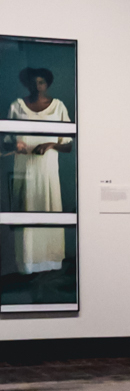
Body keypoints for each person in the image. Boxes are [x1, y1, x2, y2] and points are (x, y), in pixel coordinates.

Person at [5, 67, 74, 279]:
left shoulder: (58, 107)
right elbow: (7, 139)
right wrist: (15, 143)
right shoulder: (16, 106)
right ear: (27, 83)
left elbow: (68, 145)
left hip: (47, 173)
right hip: (25, 171)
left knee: (48, 211)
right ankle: (27, 266)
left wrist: (51, 144)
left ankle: (50, 263)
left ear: (47, 84)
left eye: (41, 82)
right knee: (27, 214)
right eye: (34, 82)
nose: (37, 86)